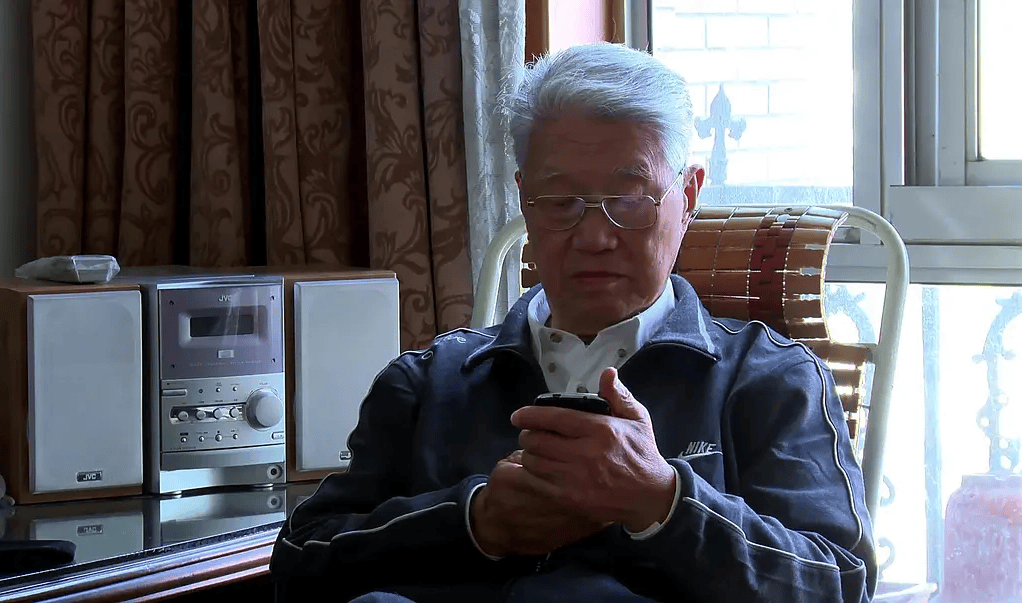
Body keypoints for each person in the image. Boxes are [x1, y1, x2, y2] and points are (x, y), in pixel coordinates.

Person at [270, 42, 877, 603]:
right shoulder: (430, 383)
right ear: (523, 199)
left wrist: (663, 501)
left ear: (689, 196)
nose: (593, 236)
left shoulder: (769, 380)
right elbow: (298, 565)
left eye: (630, 200)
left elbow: (841, 584)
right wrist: (476, 521)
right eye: (561, 203)